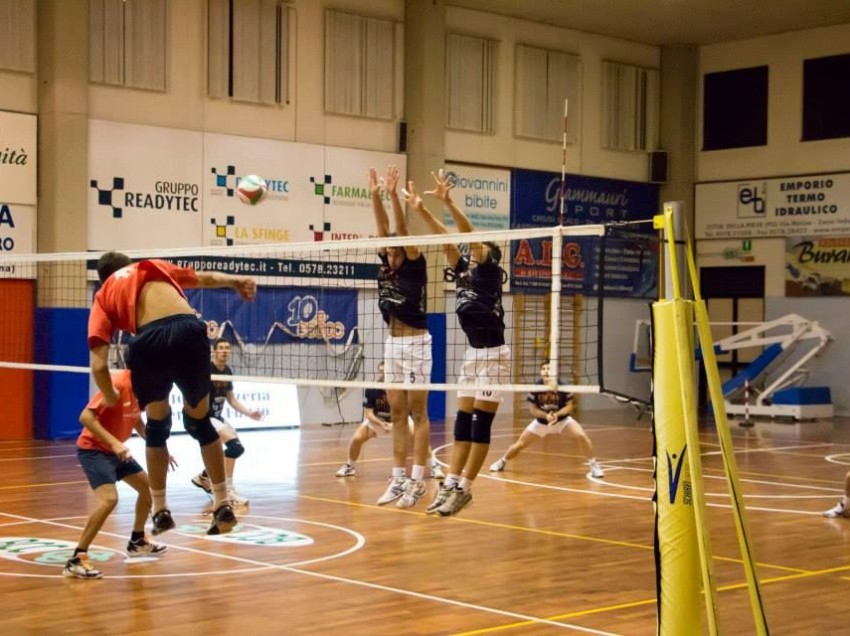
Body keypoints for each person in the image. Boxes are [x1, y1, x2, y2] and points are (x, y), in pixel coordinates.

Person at [88, 251, 256, 536]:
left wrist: (111, 396)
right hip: (188, 330)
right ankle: (222, 503)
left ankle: (161, 510)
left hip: (148, 341)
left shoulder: (104, 294)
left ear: (104, 279)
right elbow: (204, 278)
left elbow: (99, 365)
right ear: (129, 264)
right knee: (200, 424)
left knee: (156, 428)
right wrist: (236, 281)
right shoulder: (150, 266)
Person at [406, 170, 509, 516]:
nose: (474, 252)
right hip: (473, 354)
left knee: (481, 423)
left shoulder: (490, 272)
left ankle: (466, 487)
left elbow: (467, 234)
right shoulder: (464, 270)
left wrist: (449, 201)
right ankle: (450, 483)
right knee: (462, 421)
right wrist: (421, 209)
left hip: (495, 355)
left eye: (480, 250)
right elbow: (445, 239)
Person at [64, 369, 168, 579]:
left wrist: (159, 447)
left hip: (116, 451)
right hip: (93, 450)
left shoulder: (145, 386)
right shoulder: (119, 384)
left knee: (149, 489)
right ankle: (77, 558)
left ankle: (137, 541)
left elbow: (137, 420)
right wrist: (114, 442)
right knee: (109, 500)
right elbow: (85, 416)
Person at [370, 165, 433, 509]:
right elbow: (382, 229)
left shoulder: (413, 262)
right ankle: (397, 479)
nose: (391, 255)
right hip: (392, 343)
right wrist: (373, 195)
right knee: (396, 412)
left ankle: (418, 480)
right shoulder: (386, 261)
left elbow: (400, 229)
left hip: (416, 343)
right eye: (388, 252)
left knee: (418, 412)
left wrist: (393, 195)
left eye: (395, 251)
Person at [489, 361, 605, 479]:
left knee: (582, 436)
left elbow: (569, 406)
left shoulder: (563, 385)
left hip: (562, 421)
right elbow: (533, 410)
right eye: (543, 368)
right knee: (520, 444)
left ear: (554, 372)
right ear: (541, 372)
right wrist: (546, 416)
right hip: (541, 423)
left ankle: (594, 465)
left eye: (549, 368)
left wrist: (556, 415)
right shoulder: (536, 387)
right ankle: (502, 461)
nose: (546, 371)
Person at [335, 361, 445, 479]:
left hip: (400, 420)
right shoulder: (373, 389)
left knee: (417, 437)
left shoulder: (400, 387)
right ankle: (349, 467)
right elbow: (369, 413)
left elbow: (406, 409)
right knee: (356, 438)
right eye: (380, 371)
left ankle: (434, 467)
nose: (382, 374)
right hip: (378, 421)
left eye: (385, 371)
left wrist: (396, 423)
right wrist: (381, 424)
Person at [191, 337, 262, 506]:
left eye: (227, 348)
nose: (224, 351)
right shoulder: (207, 368)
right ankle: (227, 489)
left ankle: (204, 476)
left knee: (235, 448)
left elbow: (231, 399)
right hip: (205, 418)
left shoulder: (227, 371)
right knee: (235, 447)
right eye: (221, 347)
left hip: (217, 417)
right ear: (214, 350)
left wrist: (249, 413)